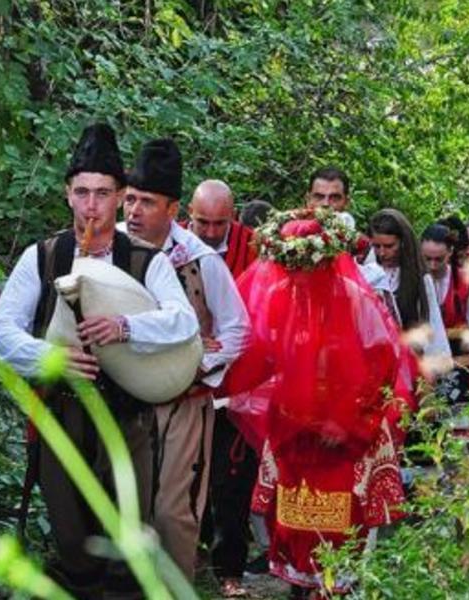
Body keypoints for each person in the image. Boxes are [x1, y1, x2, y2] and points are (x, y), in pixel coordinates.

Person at [0, 124, 199, 598]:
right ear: (68, 195)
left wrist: (125, 328)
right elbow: (0, 333)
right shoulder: (43, 257)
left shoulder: (147, 261)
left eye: (103, 193)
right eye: (82, 192)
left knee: (128, 542)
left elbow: (183, 323)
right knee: (73, 547)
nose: (91, 205)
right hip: (61, 422)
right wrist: (52, 357)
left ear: (120, 197)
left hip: (127, 423)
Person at [224, 208, 416, 598]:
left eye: (299, 268)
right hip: (295, 434)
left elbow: (382, 364)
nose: (292, 278)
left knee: (340, 524)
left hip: (347, 436)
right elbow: (262, 355)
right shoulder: (279, 296)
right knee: (294, 522)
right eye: (286, 268)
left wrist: (345, 420)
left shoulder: (355, 300)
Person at [119, 138, 250, 582]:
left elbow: (237, 328)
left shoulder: (199, 260)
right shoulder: (108, 249)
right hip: (118, 399)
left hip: (183, 402)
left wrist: (199, 365)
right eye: (130, 199)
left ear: (172, 209)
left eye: (147, 202)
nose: (133, 211)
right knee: (122, 503)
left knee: (172, 512)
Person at [186, 179, 260, 597]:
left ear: (234, 214)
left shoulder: (255, 247)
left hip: (238, 383)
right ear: (188, 215)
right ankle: (193, 553)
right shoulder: (172, 244)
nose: (212, 232)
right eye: (203, 223)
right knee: (187, 474)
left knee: (233, 478)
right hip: (184, 382)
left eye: (221, 223)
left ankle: (230, 568)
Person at [420, 220, 469, 401]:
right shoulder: (414, 280)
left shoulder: (465, 282)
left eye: (439, 259)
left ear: (450, 252)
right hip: (422, 359)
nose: (432, 265)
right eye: (427, 258)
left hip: (457, 360)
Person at [366, 209, 449, 361]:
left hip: (408, 361)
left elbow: (433, 323)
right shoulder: (366, 272)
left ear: (402, 243)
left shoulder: (418, 278)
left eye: (389, 246)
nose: (382, 253)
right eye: (377, 246)